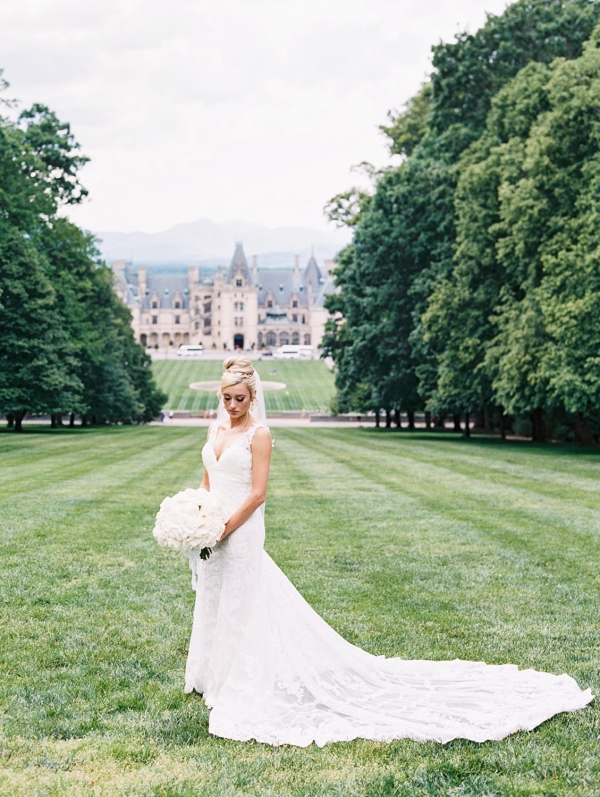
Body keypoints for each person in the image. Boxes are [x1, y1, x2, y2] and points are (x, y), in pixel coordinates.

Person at [184, 356, 593, 747]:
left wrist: (223, 527)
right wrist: (197, 515)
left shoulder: (260, 435)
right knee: (215, 597)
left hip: (240, 530)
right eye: (227, 398)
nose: (233, 406)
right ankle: (212, 678)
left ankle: (241, 683)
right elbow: (208, 481)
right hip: (215, 530)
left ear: (253, 397)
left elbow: (257, 494)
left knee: (243, 603)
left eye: (240, 398)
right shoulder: (214, 432)